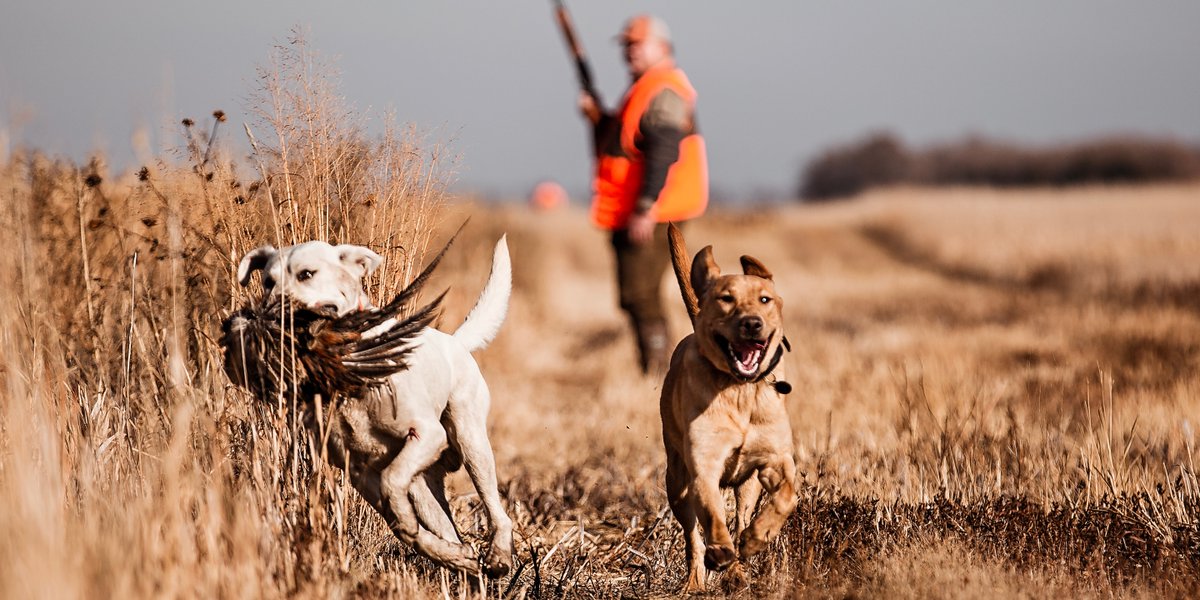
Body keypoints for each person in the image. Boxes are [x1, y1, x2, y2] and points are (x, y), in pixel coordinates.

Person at [579, 13, 708, 375]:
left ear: (663, 47)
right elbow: (627, 144)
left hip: (654, 209)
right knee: (634, 295)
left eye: (637, 44)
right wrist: (598, 118)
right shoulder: (643, 88)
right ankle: (656, 369)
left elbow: (664, 149)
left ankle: (659, 372)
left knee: (641, 294)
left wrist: (646, 207)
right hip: (638, 207)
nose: (629, 51)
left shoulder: (664, 87)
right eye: (626, 45)